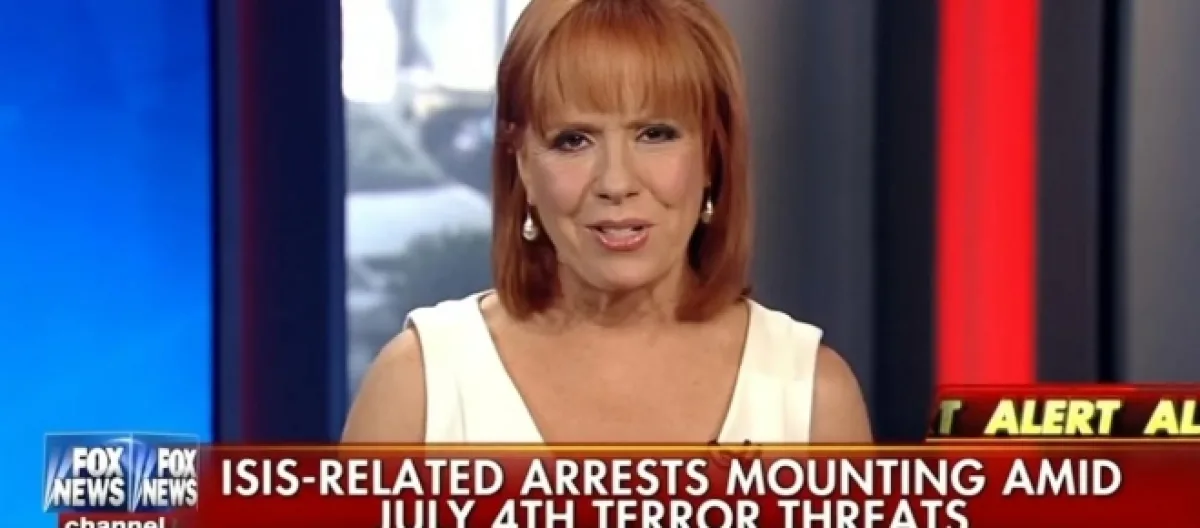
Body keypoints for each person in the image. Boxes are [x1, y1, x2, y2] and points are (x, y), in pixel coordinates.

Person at [343, 0, 872, 444]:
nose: (616, 182)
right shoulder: (418, 389)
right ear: (522, 165)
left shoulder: (810, 400)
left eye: (655, 134)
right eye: (573, 140)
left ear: (712, 154)